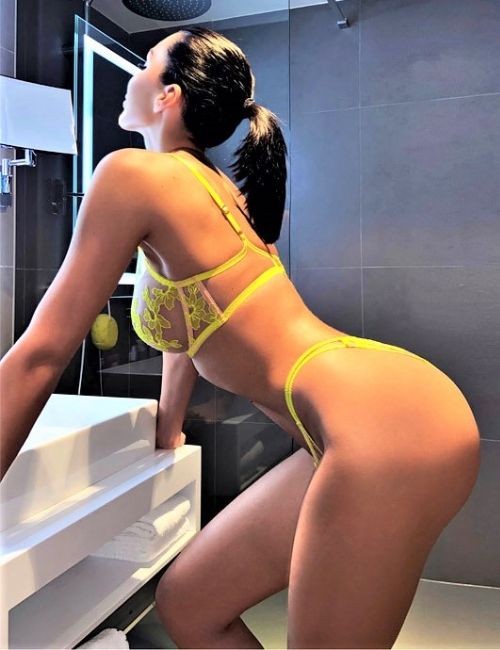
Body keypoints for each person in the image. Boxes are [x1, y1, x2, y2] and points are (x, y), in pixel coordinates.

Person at [0, 26, 481, 649]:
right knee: (189, 605)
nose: (132, 77)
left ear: (169, 95)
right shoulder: (214, 189)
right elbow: (187, 331)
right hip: (373, 412)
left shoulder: (133, 174)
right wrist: (167, 428)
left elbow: (41, 353)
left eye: (145, 64)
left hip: (382, 422)